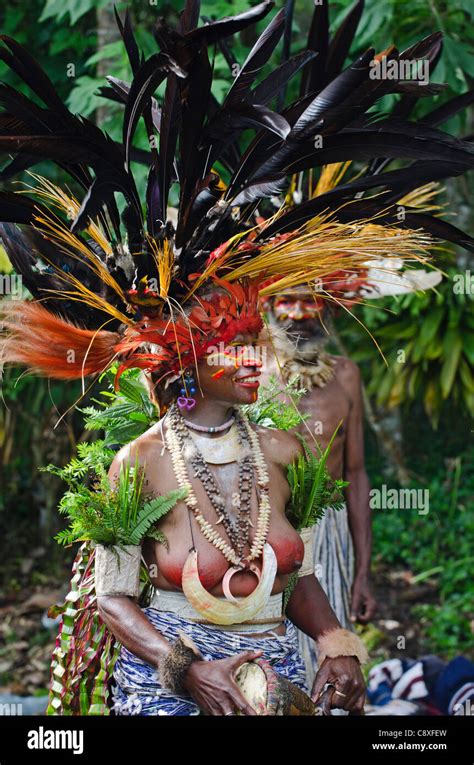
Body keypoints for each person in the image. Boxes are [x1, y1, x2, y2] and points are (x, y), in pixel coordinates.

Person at [1, 1, 472, 716]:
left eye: (256, 337)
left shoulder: (283, 452)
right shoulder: (138, 463)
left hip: (279, 689)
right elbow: (113, 602)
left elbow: (302, 579)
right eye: (236, 342)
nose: (258, 355)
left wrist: (338, 640)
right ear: (186, 358)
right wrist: (188, 670)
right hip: (175, 692)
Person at [263, 289, 377, 690]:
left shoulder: (346, 375)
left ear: (328, 308)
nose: (298, 314)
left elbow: (357, 472)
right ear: (268, 307)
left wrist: (362, 571)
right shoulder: (250, 374)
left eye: (309, 300)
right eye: (287, 300)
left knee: (333, 658)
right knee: (271, 660)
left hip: (331, 533)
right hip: (268, 532)